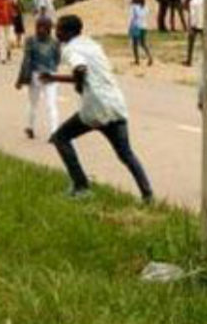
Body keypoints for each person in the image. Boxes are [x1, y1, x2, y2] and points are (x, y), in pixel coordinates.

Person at [41, 15, 154, 203]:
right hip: (115, 103)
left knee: (60, 137)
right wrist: (55, 78)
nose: (56, 32)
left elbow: (81, 69)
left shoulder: (70, 49)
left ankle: (81, 186)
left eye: (59, 29)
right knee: (126, 154)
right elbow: (89, 73)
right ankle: (147, 195)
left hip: (95, 107)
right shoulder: (92, 45)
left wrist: (78, 86)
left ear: (68, 32)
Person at [16, 17, 61, 140]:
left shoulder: (31, 41)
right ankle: (35, 128)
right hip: (47, 75)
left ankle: (51, 131)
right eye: (38, 27)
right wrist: (21, 79)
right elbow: (57, 59)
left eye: (43, 27)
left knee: (44, 104)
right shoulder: (55, 42)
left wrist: (20, 80)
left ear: (49, 29)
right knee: (43, 104)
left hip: (42, 75)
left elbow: (27, 61)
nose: (40, 30)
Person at [129, 0, 154, 66]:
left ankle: (137, 60)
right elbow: (146, 14)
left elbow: (132, 17)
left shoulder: (133, 7)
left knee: (135, 44)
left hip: (136, 26)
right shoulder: (145, 7)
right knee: (143, 43)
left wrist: (130, 26)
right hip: (144, 26)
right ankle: (149, 57)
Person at [184, 0, 205, 67]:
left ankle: (189, 60)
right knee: (205, 45)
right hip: (204, 24)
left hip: (195, 25)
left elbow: (192, 15)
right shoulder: (204, 0)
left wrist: (191, 26)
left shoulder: (192, 2)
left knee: (191, 44)